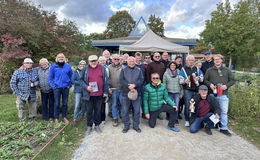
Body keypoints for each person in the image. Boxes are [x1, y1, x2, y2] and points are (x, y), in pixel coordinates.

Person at [204, 54, 235, 136]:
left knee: (224, 112)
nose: (217, 60)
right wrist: (210, 84)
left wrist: (226, 86)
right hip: (212, 95)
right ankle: (209, 126)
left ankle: (224, 128)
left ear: (222, 60)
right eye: (215, 59)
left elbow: (232, 80)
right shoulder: (209, 70)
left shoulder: (227, 70)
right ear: (213, 61)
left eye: (218, 59)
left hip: (223, 94)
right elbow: (205, 80)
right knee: (212, 111)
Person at [81, 55, 108, 135]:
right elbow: (81, 80)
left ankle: (97, 125)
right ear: (89, 61)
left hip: (99, 94)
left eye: (95, 60)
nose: (93, 62)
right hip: (89, 94)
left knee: (98, 110)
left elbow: (106, 81)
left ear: (97, 60)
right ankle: (89, 126)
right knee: (89, 111)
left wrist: (105, 91)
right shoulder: (85, 69)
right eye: (91, 61)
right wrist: (86, 87)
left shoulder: (102, 68)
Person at [120, 57, 144, 133]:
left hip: (136, 93)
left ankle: (136, 126)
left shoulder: (139, 70)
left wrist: (135, 85)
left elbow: (141, 79)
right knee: (125, 110)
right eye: (130, 61)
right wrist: (128, 86)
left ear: (135, 62)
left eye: (133, 61)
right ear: (127, 62)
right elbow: (121, 80)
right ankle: (126, 126)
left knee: (136, 111)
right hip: (125, 93)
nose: (131, 62)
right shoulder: (123, 70)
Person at [180, 55, 204, 127]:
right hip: (188, 90)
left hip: (196, 90)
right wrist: (184, 80)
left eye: (192, 60)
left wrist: (198, 78)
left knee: (195, 105)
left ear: (194, 61)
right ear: (186, 61)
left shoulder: (197, 68)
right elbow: (180, 81)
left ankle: (193, 119)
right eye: (189, 60)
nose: (191, 61)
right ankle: (187, 120)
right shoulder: (183, 69)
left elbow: (202, 78)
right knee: (187, 105)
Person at [49, 53, 73, 124]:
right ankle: (56, 118)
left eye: (62, 57)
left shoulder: (67, 66)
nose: (61, 58)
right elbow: (50, 78)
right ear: (57, 58)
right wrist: (53, 86)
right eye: (59, 57)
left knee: (65, 103)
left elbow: (71, 76)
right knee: (56, 103)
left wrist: (70, 84)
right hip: (57, 88)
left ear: (64, 58)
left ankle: (64, 117)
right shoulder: (53, 66)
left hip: (66, 88)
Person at [108, 54, 123, 127]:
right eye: (115, 59)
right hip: (113, 89)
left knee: (121, 104)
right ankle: (115, 118)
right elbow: (106, 79)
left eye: (118, 59)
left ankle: (121, 116)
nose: (116, 60)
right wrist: (108, 88)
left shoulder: (123, 67)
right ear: (112, 60)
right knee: (114, 105)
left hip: (122, 89)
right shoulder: (109, 68)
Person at [71, 60, 87, 124]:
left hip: (85, 90)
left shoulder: (87, 71)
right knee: (77, 104)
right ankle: (75, 118)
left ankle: (82, 116)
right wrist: (81, 83)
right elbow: (73, 80)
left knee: (84, 104)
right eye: (81, 64)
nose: (82, 65)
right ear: (79, 65)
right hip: (78, 90)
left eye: (84, 64)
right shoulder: (76, 72)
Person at [98, 56, 109, 123]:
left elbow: (107, 79)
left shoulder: (107, 68)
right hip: (97, 88)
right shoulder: (96, 68)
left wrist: (107, 89)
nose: (102, 62)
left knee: (103, 104)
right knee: (97, 104)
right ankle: (97, 118)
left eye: (103, 61)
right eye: (101, 61)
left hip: (104, 87)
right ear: (98, 61)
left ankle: (103, 118)